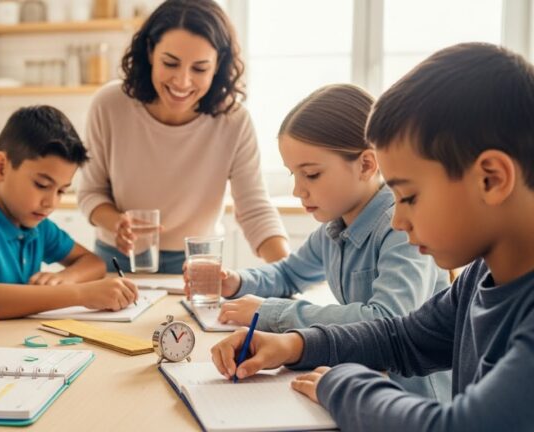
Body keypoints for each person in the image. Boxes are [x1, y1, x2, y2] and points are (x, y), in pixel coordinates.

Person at [211, 43, 534, 430]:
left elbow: (460, 425)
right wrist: (293, 344)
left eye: (409, 197)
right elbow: (402, 337)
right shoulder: (479, 278)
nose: (397, 220)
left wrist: (341, 382)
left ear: (491, 179)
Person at [190, 84, 450, 400]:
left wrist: (271, 311)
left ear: (367, 165)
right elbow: (287, 274)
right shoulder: (333, 227)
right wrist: (237, 281)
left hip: (412, 400)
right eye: (292, 175)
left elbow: (384, 319)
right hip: (363, 385)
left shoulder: (402, 227)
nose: (299, 190)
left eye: (311, 175)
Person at [77, 0, 290, 274]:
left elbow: (254, 208)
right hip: (118, 259)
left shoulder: (233, 121)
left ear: (217, 66)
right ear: (151, 52)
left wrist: (288, 274)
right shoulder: (109, 104)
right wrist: (117, 223)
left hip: (197, 262)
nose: (182, 81)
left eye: (199, 68)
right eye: (170, 63)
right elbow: (91, 193)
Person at [0, 106, 138, 319]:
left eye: (61, 191)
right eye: (42, 184)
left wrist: (66, 278)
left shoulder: (36, 225)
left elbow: (94, 263)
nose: (51, 202)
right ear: (0, 167)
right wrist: (78, 294)